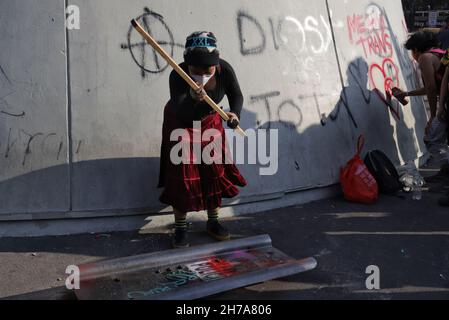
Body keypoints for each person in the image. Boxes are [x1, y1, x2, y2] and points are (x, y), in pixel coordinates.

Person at [157, 31, 247, 248]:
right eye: (196, 71)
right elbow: (179, 107)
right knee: (182, 173)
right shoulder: (177, 74)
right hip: (180, 123)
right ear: (188, 66)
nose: (202, 75)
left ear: (216, 63)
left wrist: (234, 113)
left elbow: (236, 95)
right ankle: (180, 227)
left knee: (214, 169)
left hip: (210, 121)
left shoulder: (225, 71)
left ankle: (213, 221)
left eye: (208, 70)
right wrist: (190, 96)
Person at [396, 32, 447, 138]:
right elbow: (430, 87)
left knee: (434, 142)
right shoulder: (439, 54)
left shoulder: (424, 58)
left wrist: (433, 116)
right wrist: (406, 93)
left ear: (416, 49)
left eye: (411, 51)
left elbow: (431, 88)